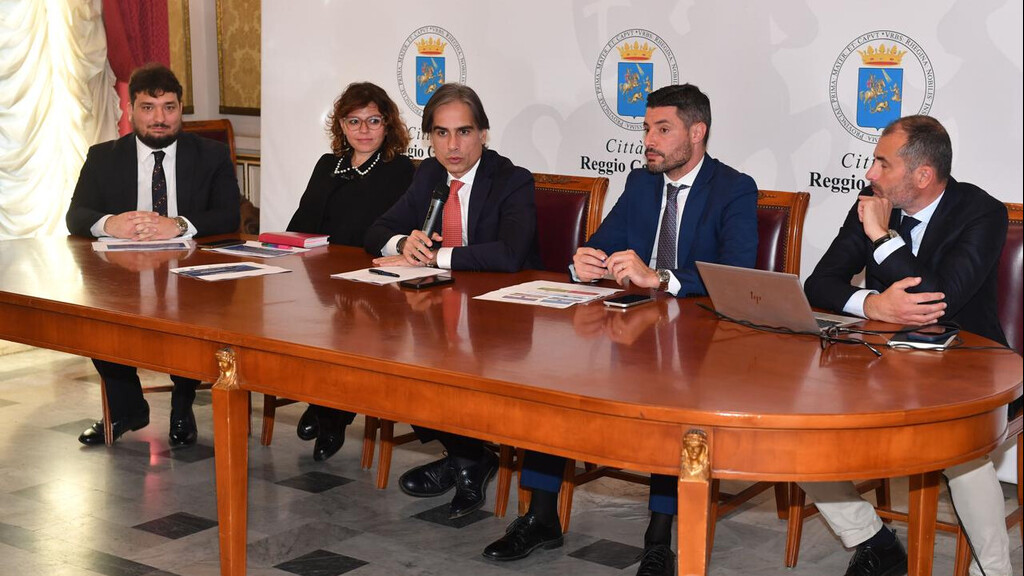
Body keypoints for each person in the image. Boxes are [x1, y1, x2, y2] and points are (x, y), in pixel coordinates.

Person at [481, 83, 758, 576]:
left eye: (662, 129)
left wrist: (662, 278)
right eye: (646, 128)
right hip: (632, 334)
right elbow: (601, 243)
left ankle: (658, 540)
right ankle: (541, 517)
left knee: (671, 404)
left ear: (697, 132)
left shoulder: (733, 188)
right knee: (554, 385)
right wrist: (584, 263)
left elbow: (736, 275)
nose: (648, 140)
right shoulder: (642, 183)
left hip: (699, 345)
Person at [802, 115, 1013, 576]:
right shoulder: (872, 201)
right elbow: (818, 283)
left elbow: (938, 300)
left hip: (966, 361)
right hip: (882, 362)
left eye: (883, 163)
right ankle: (873, 540)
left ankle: (994, 570)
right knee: (797, 432)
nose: (870, 174)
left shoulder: (982, 212)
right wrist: (872, 304)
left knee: (965, 453)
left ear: (922, 175)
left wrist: (881, 237)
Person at [365, 82, 541, 519]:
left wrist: (436, 255)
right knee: (399, 365)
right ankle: (469, 457)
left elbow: (510, 254)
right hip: (443, 312)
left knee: (439, 364)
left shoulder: (512, 179)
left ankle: (466, 459)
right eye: (441, 133)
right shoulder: (428, 174)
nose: (452, 145)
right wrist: (402, 242)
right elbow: (376, 229)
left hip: (503, 320)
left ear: (483, 133)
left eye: (463, 132)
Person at [66, 63, 239, 447]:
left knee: (192, 318)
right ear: (130, 110)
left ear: (180, 110)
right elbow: (76, 215)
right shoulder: (103, 157)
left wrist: (178, 224)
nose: (160, 118)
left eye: (169, 107)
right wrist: (111, 223)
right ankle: (127, 408)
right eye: (148, 107)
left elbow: (230, 215)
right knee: (98, 322)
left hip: (190, 273)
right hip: (123, 275)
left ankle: (183, 403)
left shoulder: (210, 155)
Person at [286, 82, 414, 462]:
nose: (363, 130)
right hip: (323, 277)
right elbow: (301, 223)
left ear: (387, 124)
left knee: (352, 331)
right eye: (354, 121)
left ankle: (333, 412)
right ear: (341, 125)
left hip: (373, 282)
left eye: (373, 120)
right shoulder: (329, 166)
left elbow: (377, 233)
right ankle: (321, 399)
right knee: (300, 323)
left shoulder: (397, 169)